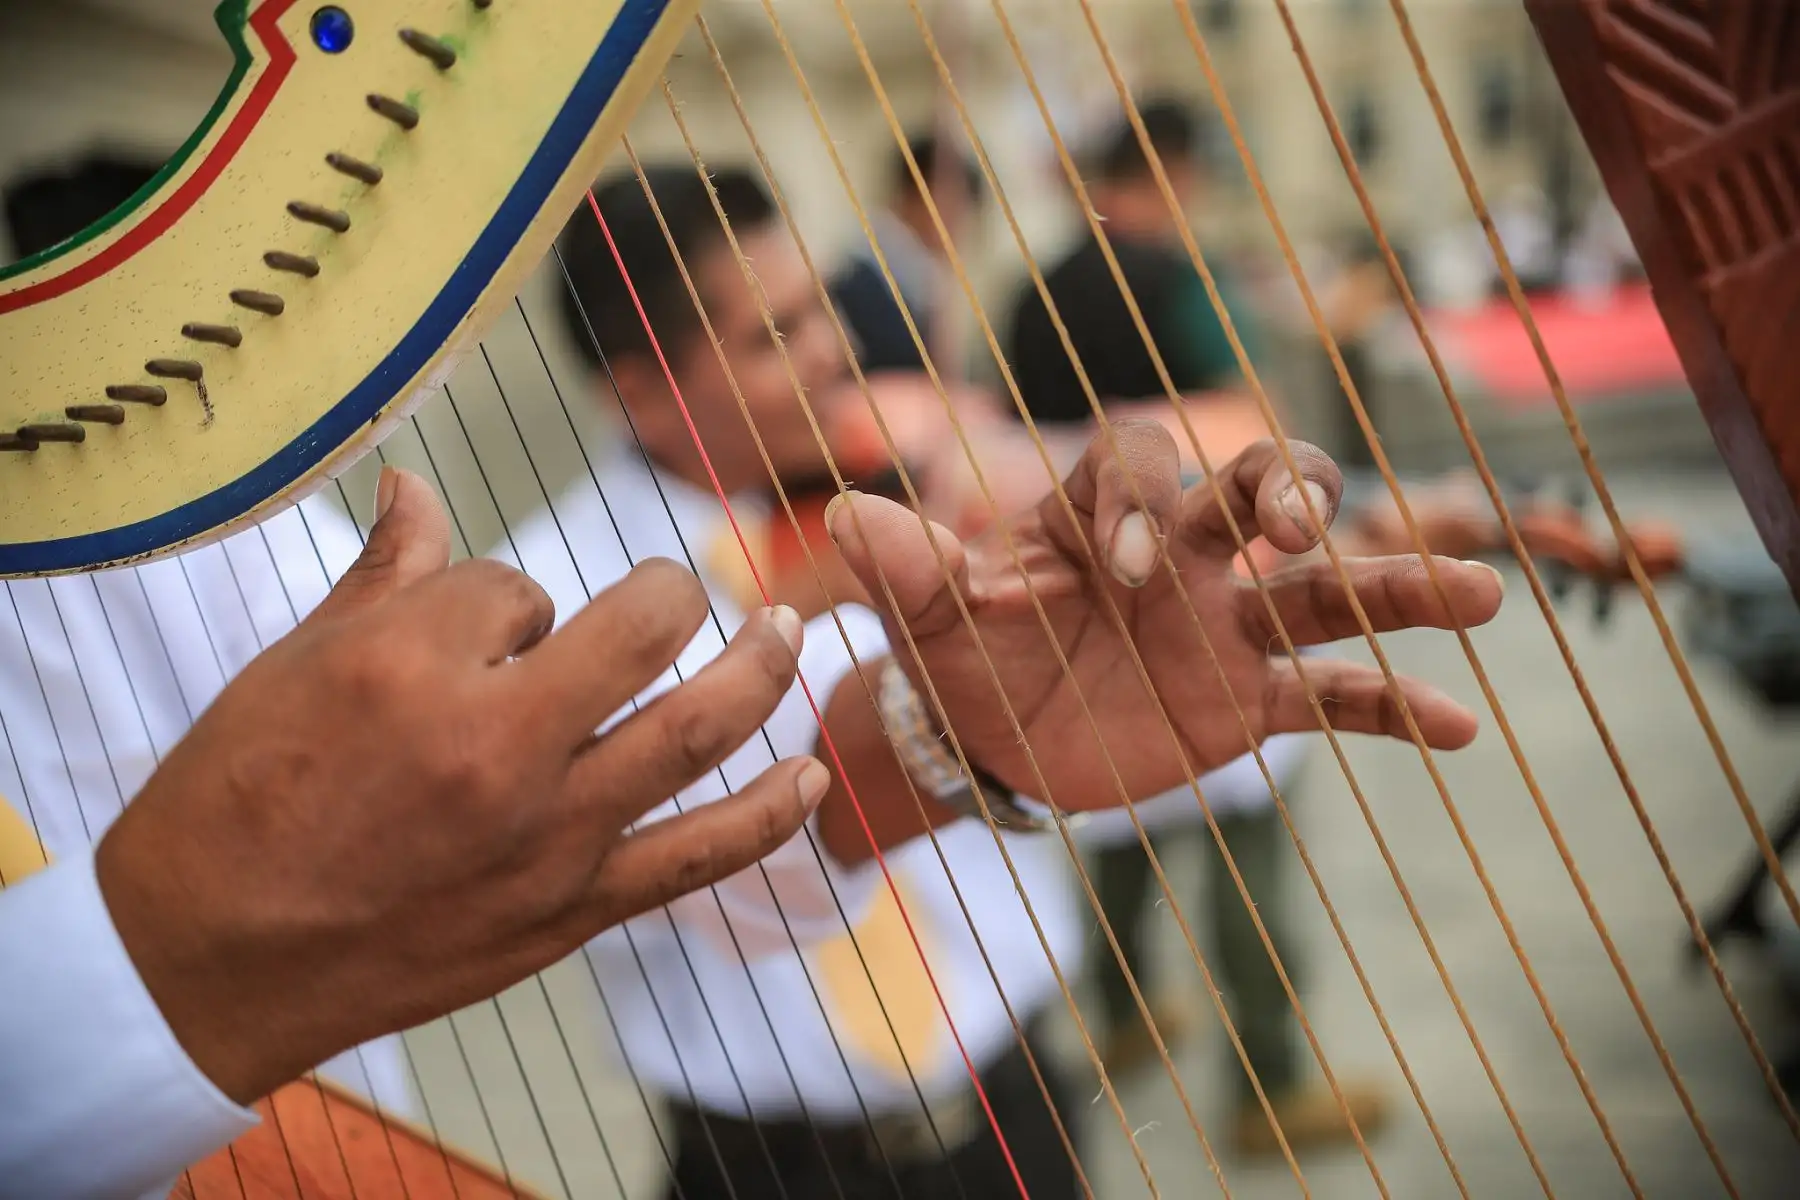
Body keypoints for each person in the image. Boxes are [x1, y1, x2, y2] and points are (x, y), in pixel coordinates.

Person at [553, 161, 1501, 1198]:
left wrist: (1353, 527)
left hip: (1022, 1109)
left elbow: (1105, 618)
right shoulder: (564, 603)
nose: (835, 350)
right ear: (638, 384)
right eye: (771, 337)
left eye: (820, 307)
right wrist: (923, 712)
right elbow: (707, 856)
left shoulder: (912, 488)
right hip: (772, 1167)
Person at [0, 467, 830, 1198]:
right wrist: (165, 985)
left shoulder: (131, 469)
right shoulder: (575, 527)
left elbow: (507, 773)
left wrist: (925, 736)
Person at [1006, 98, 1395, 1157]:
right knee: (1247, 832)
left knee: (1119, 807)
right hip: (1200, 600)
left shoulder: (1032, 289)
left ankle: (1122, 1018)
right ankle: (1268, 1084)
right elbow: (1246, 421)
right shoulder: (1181, 280)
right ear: (1172, 170)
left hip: (1088, 602)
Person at [828, 132, 983, 378]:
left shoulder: (919, 275)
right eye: (958, 207)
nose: (961, 225)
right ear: (921, 194)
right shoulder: (857, 281)